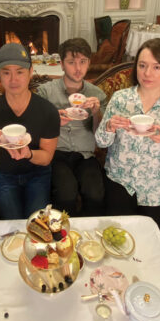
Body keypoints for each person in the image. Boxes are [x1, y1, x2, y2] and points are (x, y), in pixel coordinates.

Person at [95, 38, 160, 252]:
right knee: (116, 242)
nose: (147, 73)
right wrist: (109, 127)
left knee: (152, 247)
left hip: (157, 188)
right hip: (120, 182)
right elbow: (101, 141)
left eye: (156, 67)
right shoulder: (121, 99)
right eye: (142, 65)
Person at [0, 43, 60, 219]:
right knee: (11, 223)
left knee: (36, 223)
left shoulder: (47, 111)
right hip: (5, 175)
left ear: (30, 72)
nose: (13, 79)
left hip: (38, 174)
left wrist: (28, 154)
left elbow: (46, 159)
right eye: (6, 72)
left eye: (20, 72)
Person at [37, 38, 107, 215]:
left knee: (95, 194)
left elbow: (101, 137)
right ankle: (64, 234)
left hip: (85, 155)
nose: (78, 69)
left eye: (83, 62)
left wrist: (97, 112)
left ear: (89, 63)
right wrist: (54, 120)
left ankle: (87, 235)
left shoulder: (96, 94)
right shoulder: (46, 92)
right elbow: (37, 128)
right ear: (62, 64)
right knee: (66, 194)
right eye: (71, 62)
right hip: (57, 153)